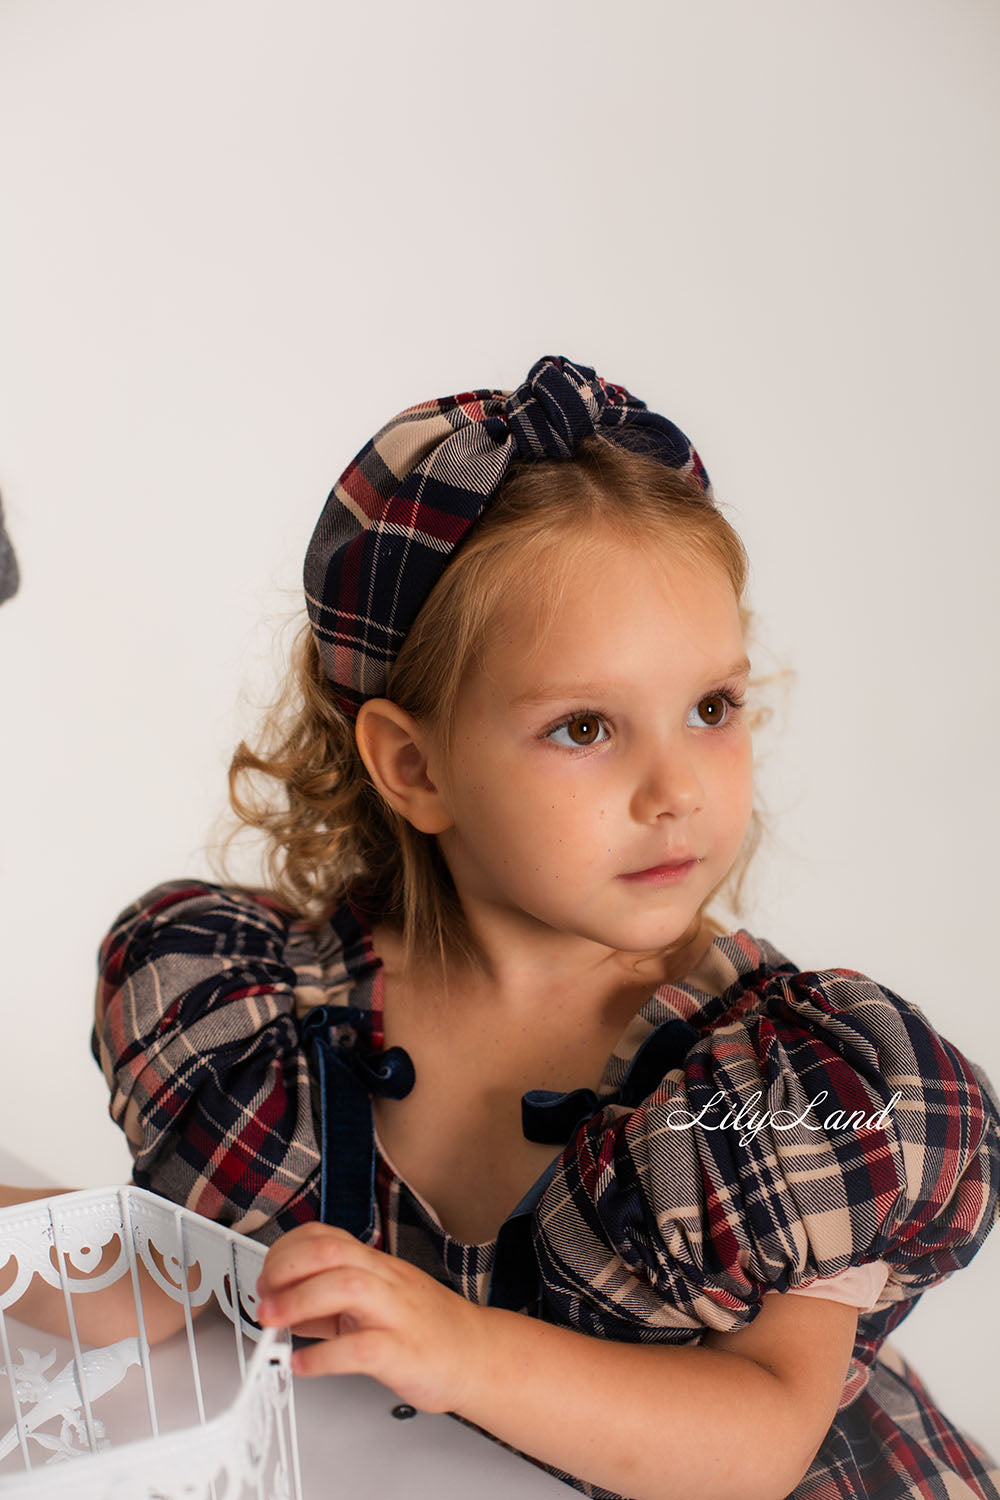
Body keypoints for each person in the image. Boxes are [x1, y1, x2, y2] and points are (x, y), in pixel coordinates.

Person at [89, 356, 1000, 1500]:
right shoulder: (273, 1027)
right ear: (414, 767)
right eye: (585, 727)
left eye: (709, 708)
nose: (675, 788)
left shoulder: (778, 1088)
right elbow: (162, 1282)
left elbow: (759, 1439)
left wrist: (463, 1351)